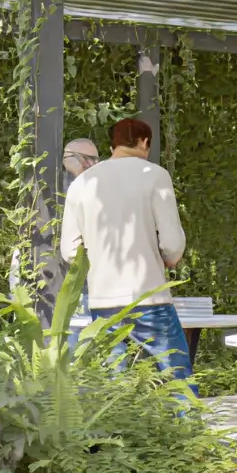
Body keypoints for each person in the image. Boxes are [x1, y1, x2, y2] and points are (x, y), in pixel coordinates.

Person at [57, 118, 193, 385]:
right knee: (176, 377)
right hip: (149, 296)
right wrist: (169, 260)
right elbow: (172, 243)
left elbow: (70, 251)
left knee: (113, 385)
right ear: (144, 142)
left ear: (113, 145)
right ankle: (185, 414)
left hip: (103, 301)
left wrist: (98, 264)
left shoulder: (82, 183)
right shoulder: (155, 175)